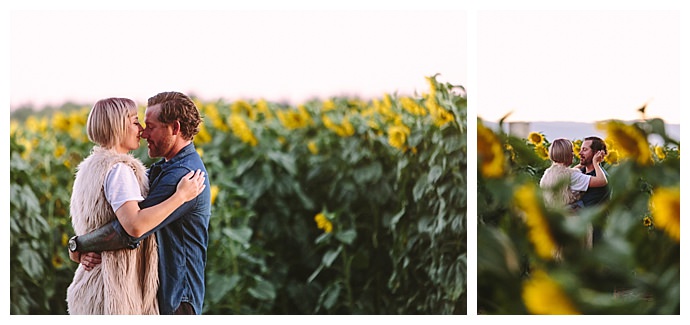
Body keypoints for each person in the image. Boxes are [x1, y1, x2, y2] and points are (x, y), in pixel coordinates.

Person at [68, 92, 212, 315]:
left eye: (150, 126)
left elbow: (131, 230)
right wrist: (79, 246)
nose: (144, 132)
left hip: (176, 297)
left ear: (174, 128)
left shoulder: (182, 177)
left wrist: (80, 244)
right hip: (146, 290)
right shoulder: (159, 169)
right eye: (138, 123)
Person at [539, 138, 607, 254]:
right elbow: (602, 181)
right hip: (573, 227)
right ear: (566, 154)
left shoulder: (547, 174)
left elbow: (568, 173)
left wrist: (580, 165)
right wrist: (596, 163)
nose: (575, 154)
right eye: (571, 151)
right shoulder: (572, 176)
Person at [574, 136, 612, 244]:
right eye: (581, 149)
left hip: (594, 234)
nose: (580, 153)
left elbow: (584, 206)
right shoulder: (580, 173)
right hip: (582, 232)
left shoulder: (601, 178)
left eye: (585, 150)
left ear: (596, 153)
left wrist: (596, 163)